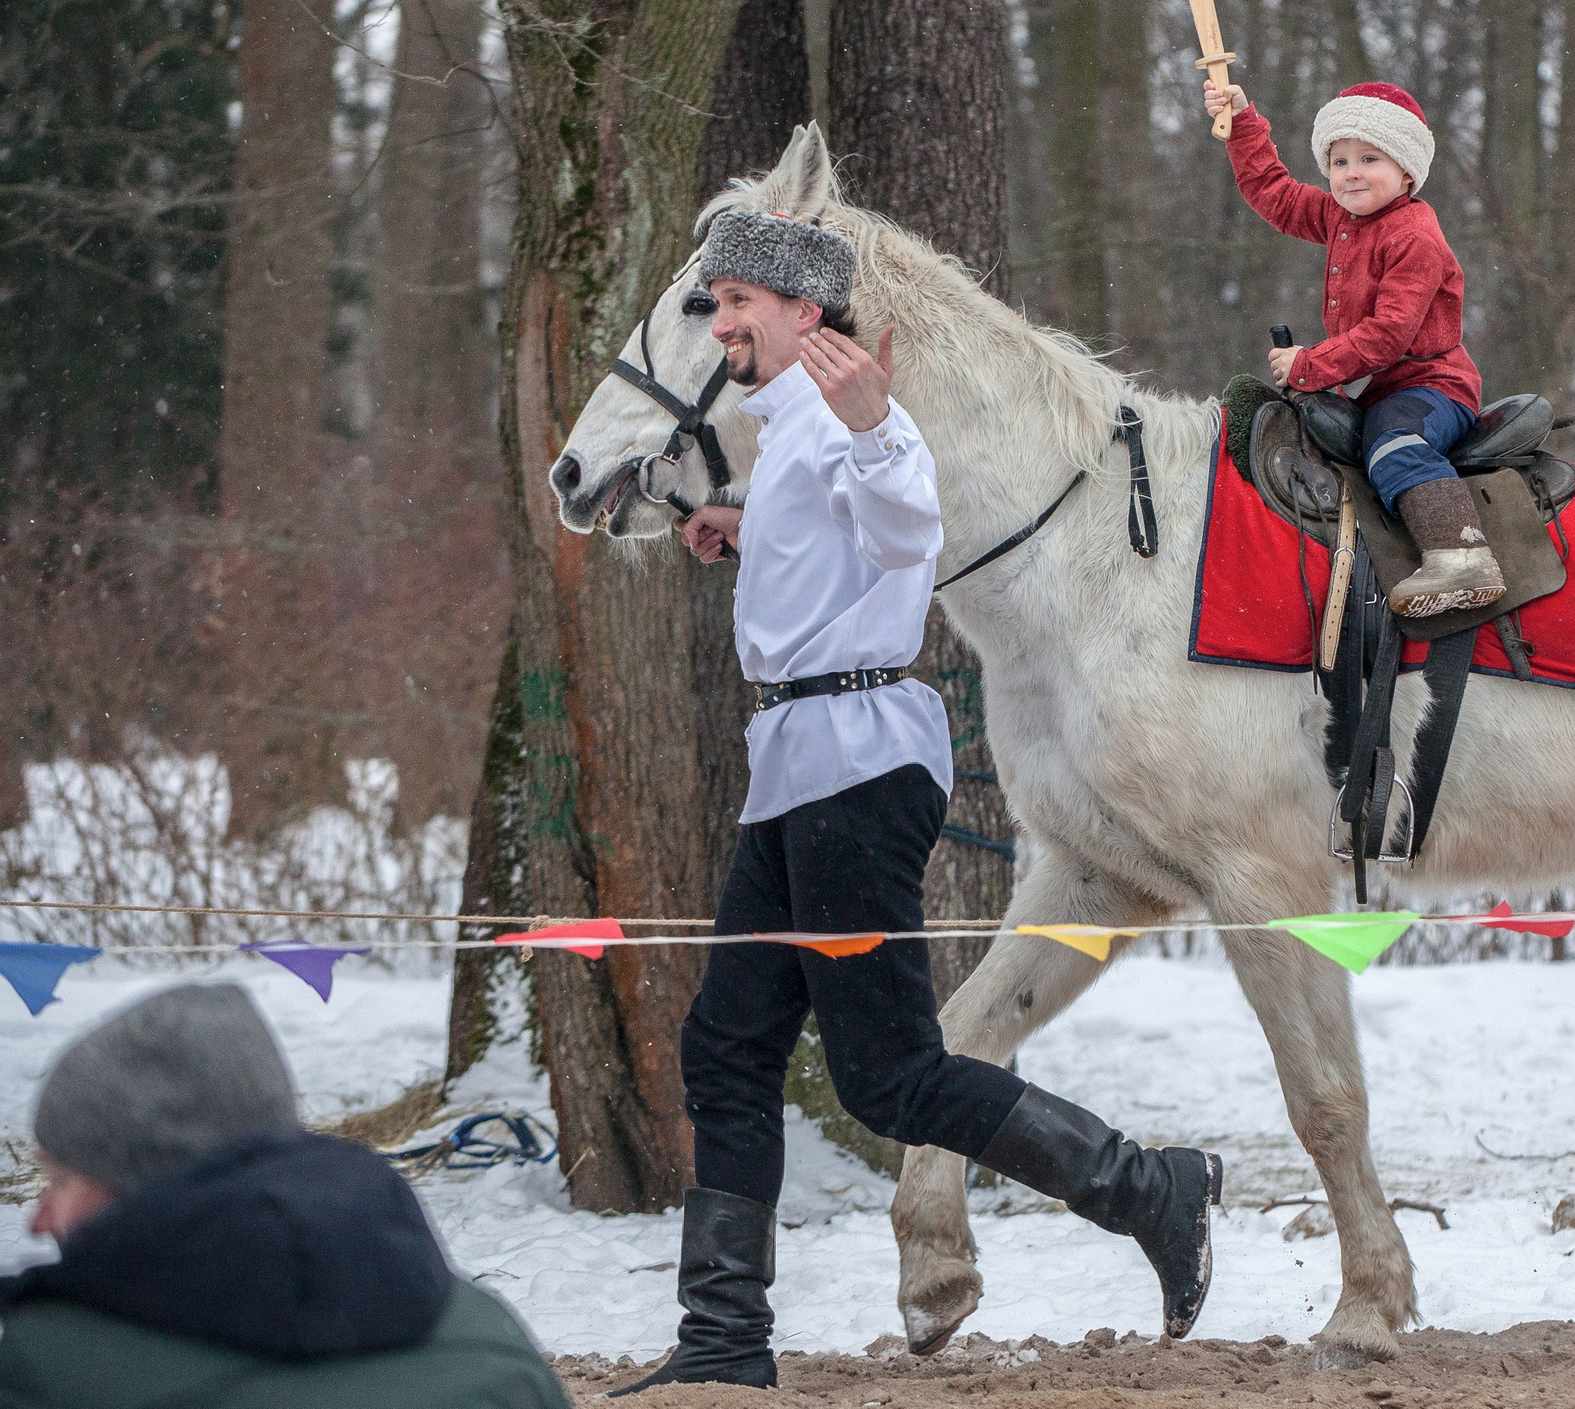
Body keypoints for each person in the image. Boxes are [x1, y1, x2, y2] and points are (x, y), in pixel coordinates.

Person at [620, 199, 1220, 1394]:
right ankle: (724, 1342)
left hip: (854, 764)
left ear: (802, 310)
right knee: (729, 1046)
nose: (719, 321)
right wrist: (743, 532)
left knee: (885, 1075)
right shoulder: (785, 424)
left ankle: (1149, 1188)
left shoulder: (855, 421)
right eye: (719, 302)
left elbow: (902, 529)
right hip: (797, 762)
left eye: (737, 303)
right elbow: (833, 534)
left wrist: (878, 426)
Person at [0, 982, 569, 1408]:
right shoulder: (489, 1339)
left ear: (147, 1184)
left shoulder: (50, 1368)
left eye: (64, 1179)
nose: (40, 1218)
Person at [1204, 77, 1504, 617]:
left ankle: (1461, 555)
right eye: (1339, 161)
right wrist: (1242, 122)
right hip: (1376, 389)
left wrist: (1308, 364)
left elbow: (1390, 336)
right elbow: (1274, 194)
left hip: (1431, 387)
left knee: (1395, 443)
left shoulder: (1415, 235)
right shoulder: (1343, 219)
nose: (1352, 174)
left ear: (1407, 170)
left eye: (1370, 158)